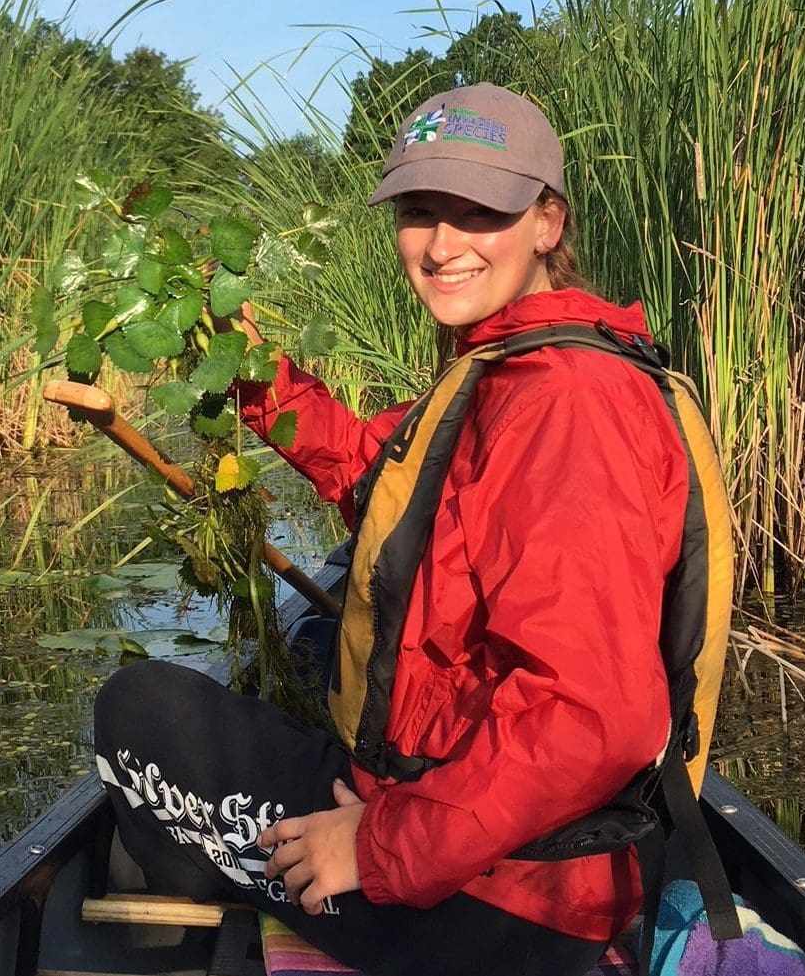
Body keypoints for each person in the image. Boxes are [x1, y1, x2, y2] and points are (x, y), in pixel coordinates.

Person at [92, 83, 688, 976]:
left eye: (479, 212)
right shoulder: (513, 368)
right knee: (324, 644)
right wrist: (250, 371)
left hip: (504, 901)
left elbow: (592, 717)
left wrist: (374, 851)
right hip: (482, 839)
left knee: (136, 713)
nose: (442, 245)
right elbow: (379, 480)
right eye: (419, 211)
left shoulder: (564, 407)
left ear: (546, 221)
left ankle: (228, 885)